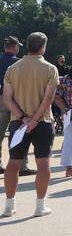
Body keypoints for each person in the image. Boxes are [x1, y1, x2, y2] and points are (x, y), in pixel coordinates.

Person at [2, 32, 59, 218]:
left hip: (18, 122)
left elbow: (7, 98)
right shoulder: (50, 69)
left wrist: (22, 117)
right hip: (42, 122)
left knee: (13, 163)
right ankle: (39, 205)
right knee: (43, 163)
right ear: (43, 46)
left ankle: (9, 205)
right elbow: (48, 99)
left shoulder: (13, 68)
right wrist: (34, 119)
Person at [0, 36, 19, 168]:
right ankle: (19, 166)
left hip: (1, 100)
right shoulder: (19, 63)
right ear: (15, 46)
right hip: (16, 101)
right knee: (17, 134)